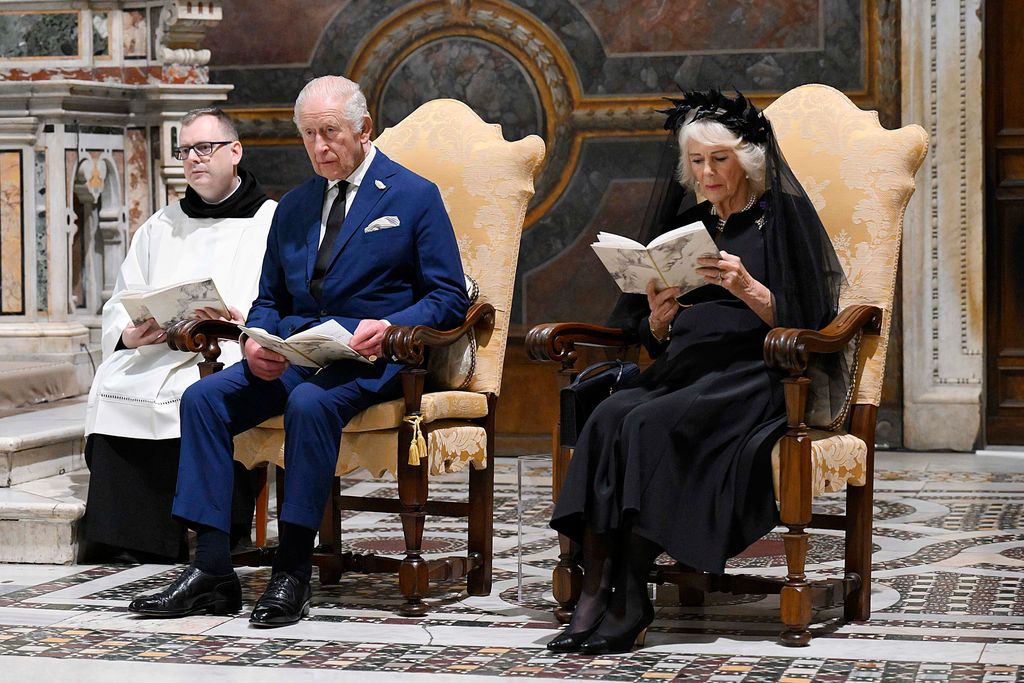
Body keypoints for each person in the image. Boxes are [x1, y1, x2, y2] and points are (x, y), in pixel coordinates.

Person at [128, 75, 469, 626]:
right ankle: (212, 569)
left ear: (364, 129)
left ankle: (291, 572)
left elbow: (450, 295)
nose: (318, 147)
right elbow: (268, 299)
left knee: (310, 405)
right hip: (300, 354)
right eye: (307, 135)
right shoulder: (293, 205)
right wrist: (258, 341)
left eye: (329, 132)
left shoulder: (413, 196)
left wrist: (392, 325)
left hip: (378, 357)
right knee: (204, 399)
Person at [547, 90, 844, 655]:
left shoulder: (784, 219)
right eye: (697, 162)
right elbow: (650, 335)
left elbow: (813, 325)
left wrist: (748, 288)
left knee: (644, 424)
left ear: (748, 160)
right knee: (609, 415)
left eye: (720, 159)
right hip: (685, 370)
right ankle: (594, 592)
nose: (707, 172)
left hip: (755, 375)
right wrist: (657, 322)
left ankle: (630, 593)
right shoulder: (689, 224)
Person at [83, 108, 276, 564]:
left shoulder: (272, 221)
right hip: (158, 349)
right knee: (115, 385)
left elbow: (283, 300)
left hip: (228, 350)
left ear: (235, 151)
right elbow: (121, 298)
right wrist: (129, 335)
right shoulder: (161, 225)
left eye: (204, 148)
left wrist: (238, 317)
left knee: (200, 393)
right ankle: (135, 538)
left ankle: (216, 528)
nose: (193, 159)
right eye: (185, 150)